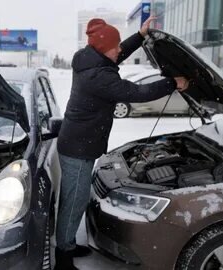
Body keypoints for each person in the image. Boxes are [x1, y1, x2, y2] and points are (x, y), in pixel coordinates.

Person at [54, 17, 189, 270]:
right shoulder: (97, 76)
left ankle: (67, 244)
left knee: (75, 198)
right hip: (78, 147)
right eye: (114, 47)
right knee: (75, 201)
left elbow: (117, 51)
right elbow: (136, 93)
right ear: (103, 48)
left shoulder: (90, 58)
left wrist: (139, 35)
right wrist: (173, 83)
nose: (119, 51)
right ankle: (63, 257)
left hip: (79, 141)